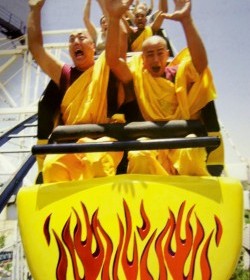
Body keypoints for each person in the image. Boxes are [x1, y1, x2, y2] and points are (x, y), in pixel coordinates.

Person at [105, 0, 217, 176]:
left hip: (179, 137)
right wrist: (113, 18)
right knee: (138, 153)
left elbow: (201, 65)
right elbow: (113, 62)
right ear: (142, 58)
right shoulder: (137, 74)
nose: (156, 60)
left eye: (160, 53)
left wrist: (186, 20)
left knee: (192, 148)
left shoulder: (179, 74)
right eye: (150, 54)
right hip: (150, 140)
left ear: (167, 55)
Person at [28, 0, 124, 182]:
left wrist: (113, 14)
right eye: (71, 40)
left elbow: (118, 39)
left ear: (94, 46)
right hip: (70, 142)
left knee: (97, 160)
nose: (76, 42)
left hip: (101, 139)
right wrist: (35, 9)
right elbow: (36, 49)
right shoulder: (65, 74)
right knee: (52, 166)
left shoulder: (105, 65)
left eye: (81, 38)